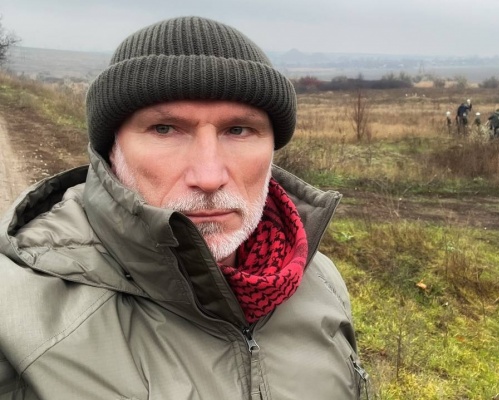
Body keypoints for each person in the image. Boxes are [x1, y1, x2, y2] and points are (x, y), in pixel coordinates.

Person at [0, 16, 369, 399]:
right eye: (164, 129)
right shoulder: (15, 317)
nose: (209, 177)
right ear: (112, 150)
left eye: (238, 130)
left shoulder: (319, 282)